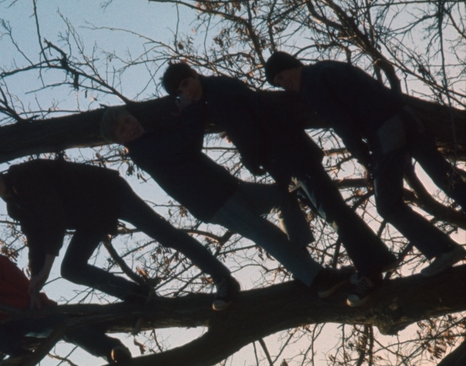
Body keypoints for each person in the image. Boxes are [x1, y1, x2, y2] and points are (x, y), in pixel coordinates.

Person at [161, 62, 399, 306]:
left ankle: (371, 271)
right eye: (179, 92)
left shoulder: (221, 93)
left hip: (292, 156)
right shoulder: (214, 94)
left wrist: (251, 161)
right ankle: (378, 259)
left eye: (185, 84)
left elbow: (247, 129)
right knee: (330, 209)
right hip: (285, 161)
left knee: (332, 211)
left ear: (194, 75)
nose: (186, 92)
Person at [100, 105, 354, 298]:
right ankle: (319, 281)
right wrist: (191, 110)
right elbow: (187, 143)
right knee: (268, 234)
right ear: (120, 140)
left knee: (283, 197)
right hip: (215, 202)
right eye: (122, 129)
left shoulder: (152, 135)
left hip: (230, 188)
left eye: (127, 120)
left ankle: (303, 266)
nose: (129, 126)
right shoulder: (144, 151)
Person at [264, 51, 466, 279]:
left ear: (292, 66)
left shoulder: (311, 85)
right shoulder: (330, 67)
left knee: (388, 205)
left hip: (385, 130)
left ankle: (444, 250)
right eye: (278, 83)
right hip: (407, 117)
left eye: (281, 76)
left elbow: (343, 124)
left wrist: (366, 161)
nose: (283, 85)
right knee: (444, 176)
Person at [0, 159, 240, 311]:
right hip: (90, 217)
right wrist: (35, 283)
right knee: (72, 268)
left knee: (166, 236)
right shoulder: (15, 207)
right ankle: (140, 297)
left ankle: (223, 278)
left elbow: (53, 216)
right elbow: (35, 239)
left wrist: (46, 269)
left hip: (109, 193)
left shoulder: (24, 174)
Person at [0, 221, 131, 366]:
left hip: (19, 315)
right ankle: (19, 354)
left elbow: (26, 289)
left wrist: (42, 304)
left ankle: (112, 349)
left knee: (63, 325)